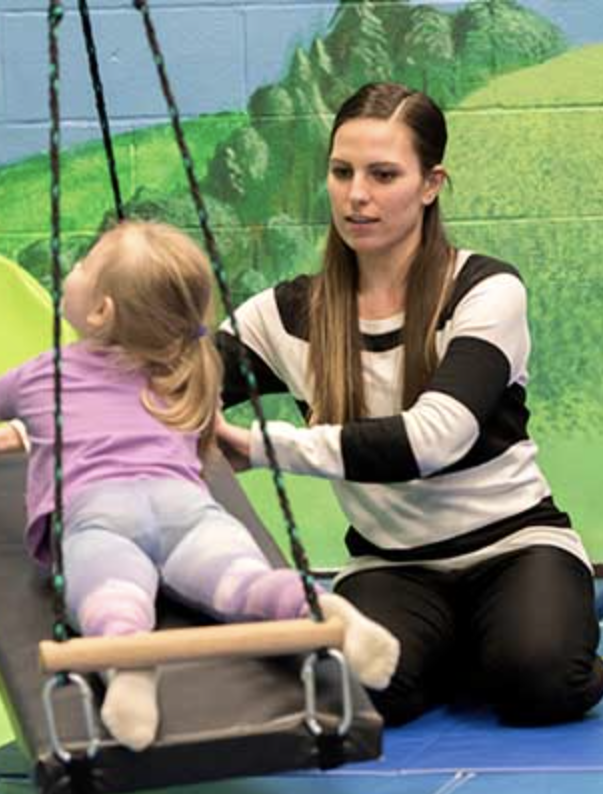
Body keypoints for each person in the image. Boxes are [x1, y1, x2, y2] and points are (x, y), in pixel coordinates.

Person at [0, 219, 400, 752]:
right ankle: (326, 614)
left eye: (83, 265)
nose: (72, 270)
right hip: (187, 509)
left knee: (111, 590)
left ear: (102, 311)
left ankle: (130, 666)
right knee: (242, 580)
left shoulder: (45, 374)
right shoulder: (187, 374)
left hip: (99, 514)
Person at [214, 81, 603, 727]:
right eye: (341, 172)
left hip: (514, 547)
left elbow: (432, 440)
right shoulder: (282, 314)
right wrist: (12, 420)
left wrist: (260, 447)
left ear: (431, 183)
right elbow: (160, 396)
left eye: (383, 174)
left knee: (539, 682)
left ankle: (510, 638)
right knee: (355, 694)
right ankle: (463, 647)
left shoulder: (484, 290)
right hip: (392, 567)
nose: (356, 194)